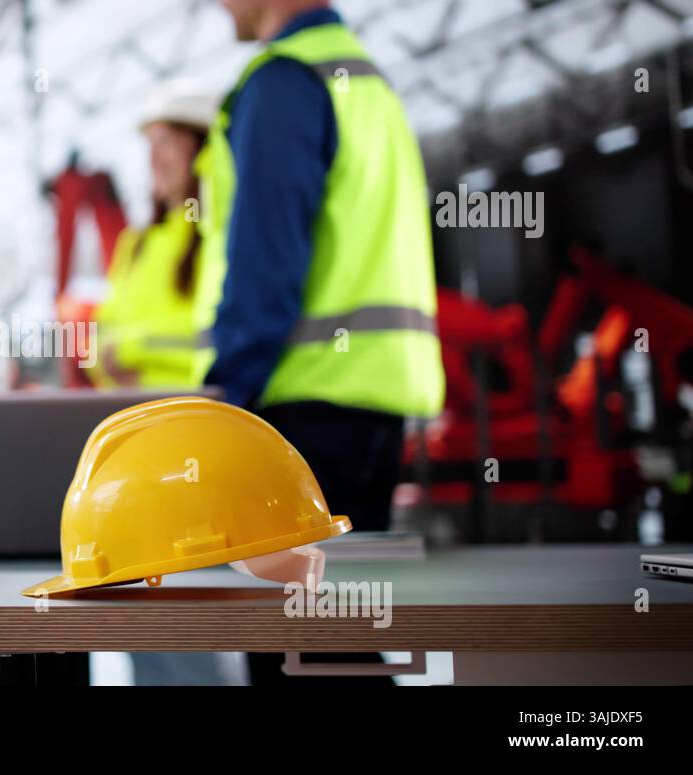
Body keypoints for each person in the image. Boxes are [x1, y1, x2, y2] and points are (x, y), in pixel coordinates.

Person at [206, 0, 445, 683]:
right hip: (370, 408)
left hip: (300, 416)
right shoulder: (369, 83)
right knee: (338, 642)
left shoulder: (284, 81)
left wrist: (229, 396)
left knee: (297, 655)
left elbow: (266, 265)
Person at [93, 79, 224, 390]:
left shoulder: (219, 238)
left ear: (202, 148)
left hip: (193, 416)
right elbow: (101, 331)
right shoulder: (135, 244)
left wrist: (128, 350)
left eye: (163, 141)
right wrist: (105, 358)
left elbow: (216, 335)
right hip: (130, 416)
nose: (152, 159)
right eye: (149, 144)